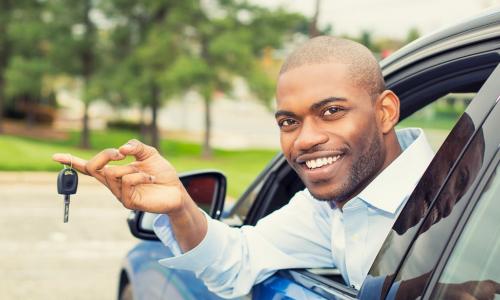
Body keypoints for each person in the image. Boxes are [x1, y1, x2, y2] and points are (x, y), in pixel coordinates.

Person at [53, 36, 436, 297]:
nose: (304, 139)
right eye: (289, 122)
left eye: (331, 111)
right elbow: (240, 260)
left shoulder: (470, 194)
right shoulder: (328, 208)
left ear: (385, 112)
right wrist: (181, 206)